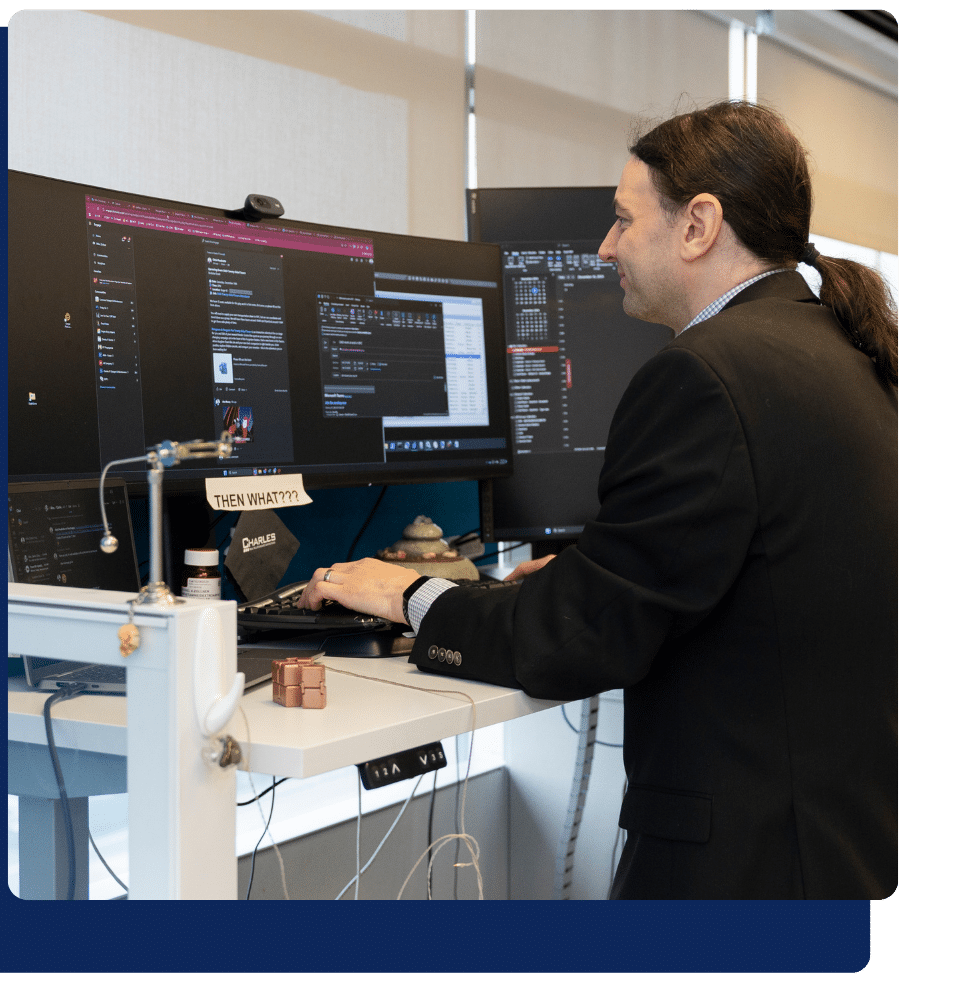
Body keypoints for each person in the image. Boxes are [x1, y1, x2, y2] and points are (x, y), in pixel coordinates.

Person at [299, 101, 898, 899]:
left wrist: (413, 596)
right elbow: (767, 563)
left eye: (622, 220)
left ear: (699, 226)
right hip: (841, 845)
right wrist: (596, 572)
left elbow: (579, 642)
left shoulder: (705, 375)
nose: (604, 246)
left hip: (746, 868)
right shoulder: (842, 352)